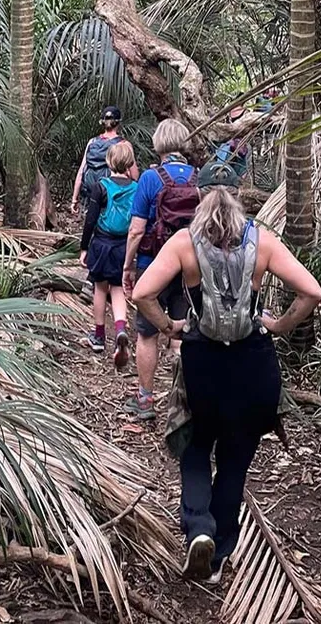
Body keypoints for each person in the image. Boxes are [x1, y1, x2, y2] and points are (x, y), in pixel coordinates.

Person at [132, 182, 321, 583]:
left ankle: (199, 527)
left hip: (204, 362)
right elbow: (311, 291)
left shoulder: (185, 243)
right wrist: (279, 325)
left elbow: (142, 292)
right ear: (239, 211)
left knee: (196, 447)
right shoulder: (263, 242)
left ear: (200, 211)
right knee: (235, 460)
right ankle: (218, 556)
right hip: (255, 364)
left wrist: (171, 326)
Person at [122, 118, 200, 421]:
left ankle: (145, 400)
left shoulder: (151, 179)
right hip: (188, 268)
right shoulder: (197, 179)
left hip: (152, 266)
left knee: (147, 333)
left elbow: (136, 230)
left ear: (158, 144)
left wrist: (128, 266)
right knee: (183, 331)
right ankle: (183, 403)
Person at [79, 140, 137, 370]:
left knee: (100, 288)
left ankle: (99, 336)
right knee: (118, 288)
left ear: (109, 161)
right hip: (123, 245)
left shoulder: (101, 186)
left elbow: (90, 220)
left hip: (102, 243)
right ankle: (121, 330)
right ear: (129, 163)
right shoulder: (136, 187)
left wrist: (84, 248)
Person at [69, 107, 136, 216]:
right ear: (118, 123)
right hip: (112, 197)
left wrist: (74, 199)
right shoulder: (124, 145)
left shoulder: (92, 142)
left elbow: (82, 171)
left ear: (102, 123)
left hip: (91, 195)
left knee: (91, 224)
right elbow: (135, 176)